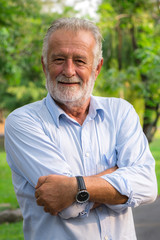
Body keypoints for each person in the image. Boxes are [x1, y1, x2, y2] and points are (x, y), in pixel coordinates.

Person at [5, 17, 157, 240]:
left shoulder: (121, 112)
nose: (68, 70)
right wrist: (121, 173)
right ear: (44, 64)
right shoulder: (23, 122)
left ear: (97, 67)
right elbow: (67, 207)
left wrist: (74, 188)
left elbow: (147, 185)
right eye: (58, 59)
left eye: (80, 60)